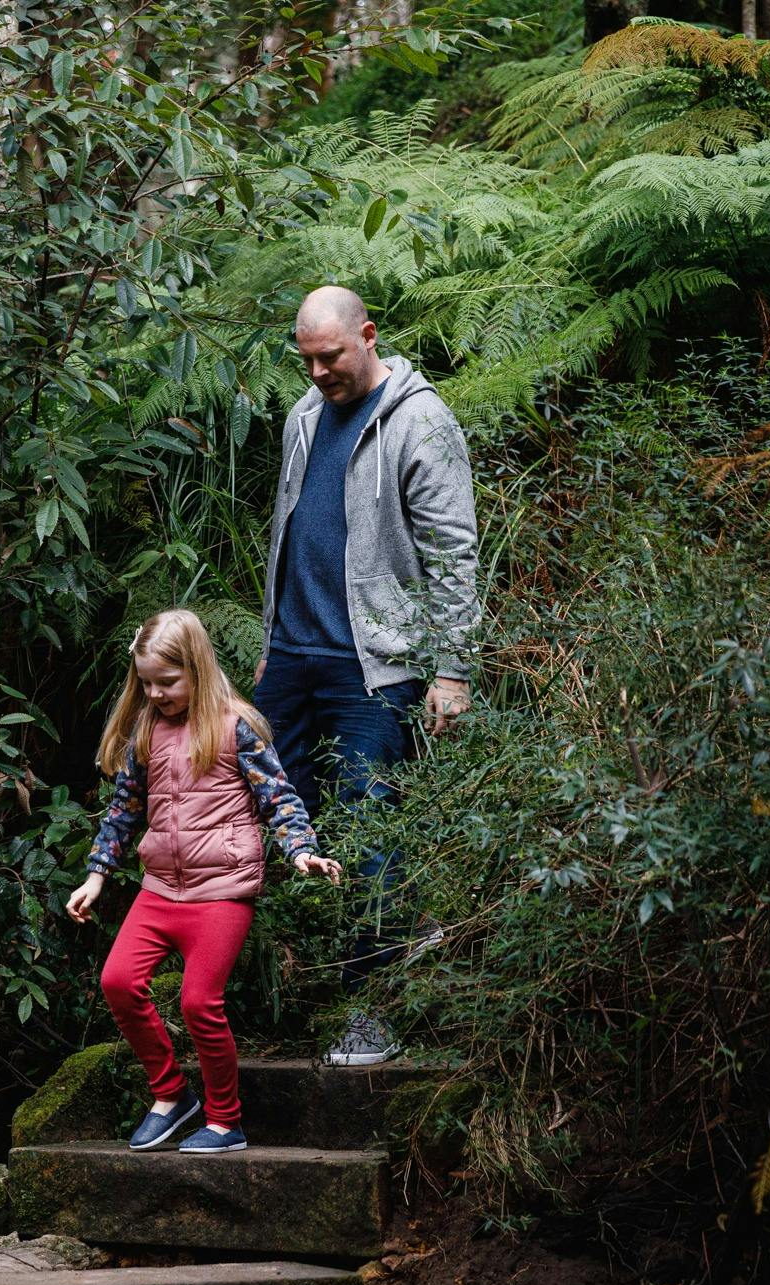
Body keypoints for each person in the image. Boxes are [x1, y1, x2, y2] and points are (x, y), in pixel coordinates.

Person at [252, 285, 480, 1067]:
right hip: (291, 655)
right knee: (272, 816)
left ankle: (372, 1011)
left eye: (331, 356)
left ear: (368, 336)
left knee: (372, 827)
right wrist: (270, 638)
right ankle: (290, 985)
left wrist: (452, 670)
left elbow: (454, 553)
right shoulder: (303, 417)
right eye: (306, 359)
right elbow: (286, 530)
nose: (318, 372)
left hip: (375, 667)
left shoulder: (422, 420)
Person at [69, 608, 342, 1154]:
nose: (154, 694)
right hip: (160, 889)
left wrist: (302, 852)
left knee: (198, 1002)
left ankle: (225, 1120)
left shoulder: (236, 726)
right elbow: (123, 812)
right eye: (145, 683)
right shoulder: (146, 730)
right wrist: (97, 876)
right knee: (119, 982)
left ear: (196, 669)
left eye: (166, 682)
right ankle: (171, 1095)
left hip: (222, 891)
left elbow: (279, 798)